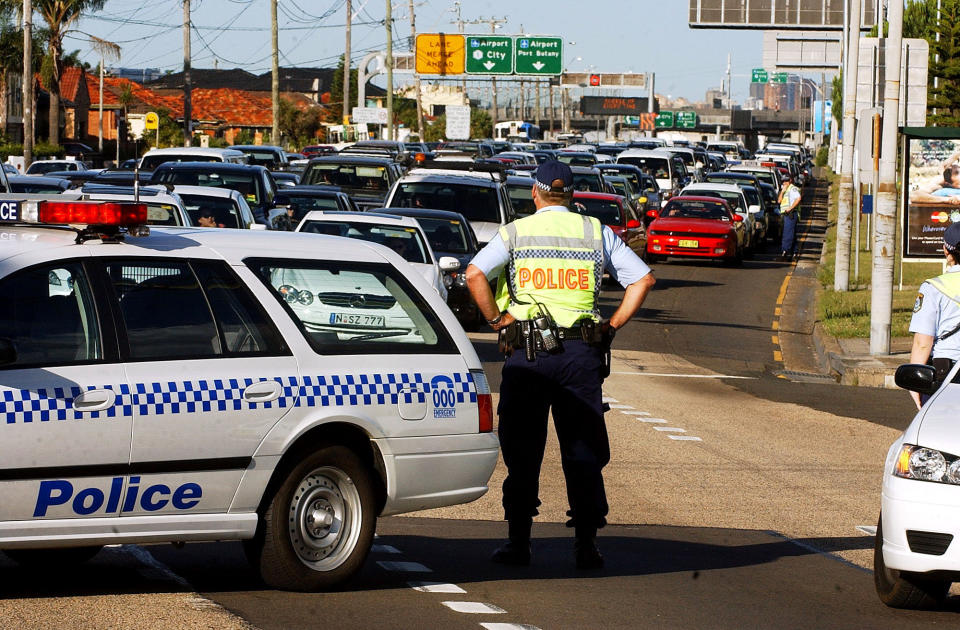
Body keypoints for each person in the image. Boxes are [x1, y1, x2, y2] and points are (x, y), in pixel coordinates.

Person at [465, 161, 656, 570]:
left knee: (522, 450)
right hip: (580, 355)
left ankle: (519, 544)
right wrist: (611, 325)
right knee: (583, 450)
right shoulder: (595, 231)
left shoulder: (515, 232)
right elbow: (642, 280)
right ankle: (586, 546)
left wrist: (498, 321)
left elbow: (475, 274)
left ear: (535, 194)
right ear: (571, 196)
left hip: (526, 356)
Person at [908, 223, 960, 409]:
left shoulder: (933, 288)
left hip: (947, 375)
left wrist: (914, 384)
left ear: (946, 250)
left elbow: (923, 342)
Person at [778, 172, 802, 261]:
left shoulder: (793, 189)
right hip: (786, 214)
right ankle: (794, 253)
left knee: (787, 234)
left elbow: (798, 198)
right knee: (792, 234)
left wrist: (790, 208)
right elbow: (779, 201)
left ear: (790, 181)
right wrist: (782, 191)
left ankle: (785, 252)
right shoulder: (785, 190)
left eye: (786, 181)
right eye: (783, 181)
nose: (784, 183)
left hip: (791, 214)